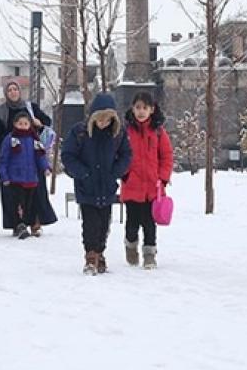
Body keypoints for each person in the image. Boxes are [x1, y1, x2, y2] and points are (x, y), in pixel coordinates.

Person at [61, 93, 131, 275]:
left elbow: (126, 155)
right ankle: (90, 254)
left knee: (104, 224)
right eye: (99, 119)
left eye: (107, 119)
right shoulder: (80, 133)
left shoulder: (118, 135)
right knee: (90, 224)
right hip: (87, 188)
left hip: (107, 187)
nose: (103, 123)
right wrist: (82, 173)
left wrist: (115, 172)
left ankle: (100, 252)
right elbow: (68, 156)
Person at [0, 81, 53, 229]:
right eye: (10, 90)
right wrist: (6, 155)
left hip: (32, 155)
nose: (13, 92)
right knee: (15, 195)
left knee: (36, 191)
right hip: (13, 159)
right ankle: (17, 223)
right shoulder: (2, 111)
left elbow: (47, 121)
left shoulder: (30, 107)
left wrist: (39, 123)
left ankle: (35, 221)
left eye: (15, 89)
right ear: (6, 93)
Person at [122, 91, 173, 270]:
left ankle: (150, 254)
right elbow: (120, 155)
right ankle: (130, 245)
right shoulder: (126, 132)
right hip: (132, 186)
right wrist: (125, 174)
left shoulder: (158, 132)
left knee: (150, 224)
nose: (141, 111)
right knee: (131, 223)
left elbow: (166, 156)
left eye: (145, 108)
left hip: (153, 188)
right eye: (138, 108)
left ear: (152, 110)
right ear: (133, 109)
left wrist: (163, 178)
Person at [0, 111, 52, 239]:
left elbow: (40, 156)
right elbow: (3, 159)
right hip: (15, 178)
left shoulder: (34, 139)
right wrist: (4, 176)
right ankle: (19, 225)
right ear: (15, 124)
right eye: (20, 123)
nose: (23, 126)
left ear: (30, 125)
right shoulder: (11, 139)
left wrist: (45, 168)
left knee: (29, 203)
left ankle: (29, 222)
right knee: (18, 203)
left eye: (26, 123)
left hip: (31, 178)